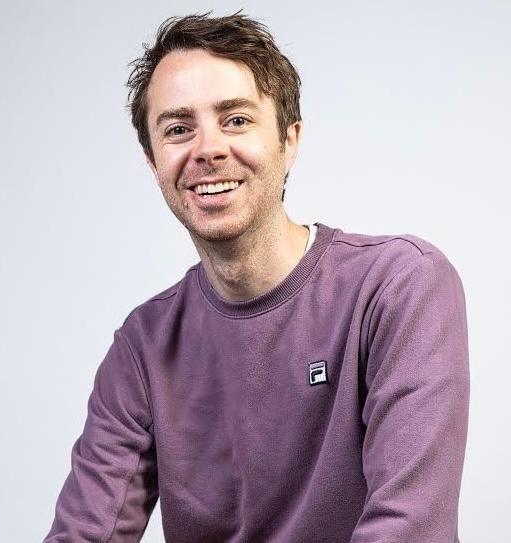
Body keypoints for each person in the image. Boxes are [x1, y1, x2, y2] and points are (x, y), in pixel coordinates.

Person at [43, 11, 470, 543]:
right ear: (154, 163)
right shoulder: (143, 347)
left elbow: (409, 530)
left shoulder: (398, 287)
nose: (208, 149)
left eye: (237, 120)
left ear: (290, 141)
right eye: (178, 129)